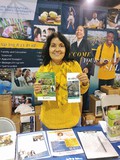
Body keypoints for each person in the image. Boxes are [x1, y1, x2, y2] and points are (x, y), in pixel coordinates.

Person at [34, 32, 89, 130]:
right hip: (49, 122)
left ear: (66, 49)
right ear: (48, 49)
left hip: (72, 120)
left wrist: (84, 82)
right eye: (53, 46)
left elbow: (81, 91)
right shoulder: (43, 69)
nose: (57, 49)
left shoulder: (74, 65)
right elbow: (41, 96)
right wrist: (37, 91)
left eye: (61, 46)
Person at [70, 25, 94, 112]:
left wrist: (88, 67)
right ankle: (74, 111)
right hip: (74, 73)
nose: (79, 31)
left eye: (81, 30)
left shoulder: (87, 43)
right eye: (77, 30)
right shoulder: (72, 45)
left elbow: (91, 57)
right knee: (74, 91)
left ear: (83, 33)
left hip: (84, 72)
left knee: (84, 92)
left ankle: (84, 111)